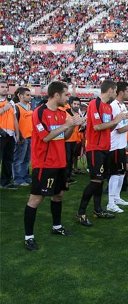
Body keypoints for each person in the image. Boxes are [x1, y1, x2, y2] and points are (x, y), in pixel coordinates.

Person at [23, 81, 84, 250]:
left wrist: (73, 125)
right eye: (65, 95)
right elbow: (45, 137)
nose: (67, 98)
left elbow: (64, 136)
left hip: (60, 162)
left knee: (58, 195)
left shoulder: (61, 112)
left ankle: (56, 227)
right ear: (56, 95)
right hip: (44, 163)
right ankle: (29, 237)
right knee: (36, 199)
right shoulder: (39, 112)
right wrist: (67, 124)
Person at [76, 80, 128, 226]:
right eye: (115, 90)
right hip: (95, 148)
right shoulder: (95, 103)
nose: (116, 93)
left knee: (100, 180)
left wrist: (117, 121)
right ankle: (81, 213)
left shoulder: (108, 107)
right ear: (110, 90)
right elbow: (98, 127)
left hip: (106, 147)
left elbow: (109, 129)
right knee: (95, 181)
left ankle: (98, 210)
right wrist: (116, 120)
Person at [107, 81, 128, 213]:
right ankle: (110, 202)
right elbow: (119, 129)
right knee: (115, 173)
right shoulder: (114, 106)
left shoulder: (122, 105)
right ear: (121, 92)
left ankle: (116, 198)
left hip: (121, 144)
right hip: (114, 145)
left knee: (122, 172)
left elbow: (124, 125)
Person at [0, 80, 20, 189]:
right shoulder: (9, 104)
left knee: (8, 159)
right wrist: (5, 108)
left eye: (5, 87)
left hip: (10, 134)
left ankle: (5, 182)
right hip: (1, 133)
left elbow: (15, 119)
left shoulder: (10, 103)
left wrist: (17, 134)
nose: (4, 88)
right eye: (2, 86)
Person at [13, 87, 33, 186]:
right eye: (27, 95)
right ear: (20, 96)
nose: (30, 97)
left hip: (30, 136)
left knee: (26, 160)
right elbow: (15, 122)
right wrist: (19, 135)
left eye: (30, 95)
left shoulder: (29, 106)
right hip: (22, 137)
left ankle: (25, 176)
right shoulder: (16, 107)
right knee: (18, 159)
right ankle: (18, 179)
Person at [64, 96, 82, 184]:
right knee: (67, 160)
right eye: (74, 104)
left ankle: (68, 176)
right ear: (71, 104)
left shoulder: (77, 114)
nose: (76, 106)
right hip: (67, 140)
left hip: (74, 139)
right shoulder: (66, 113)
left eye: (78, 104)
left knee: (71, 159)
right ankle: (65, 178)